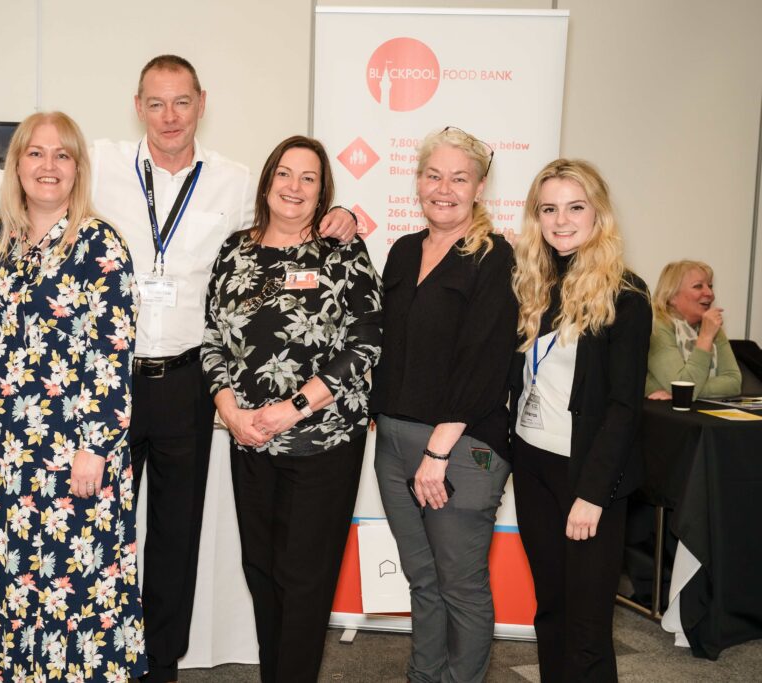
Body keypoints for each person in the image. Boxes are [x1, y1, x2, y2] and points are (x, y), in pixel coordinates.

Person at [0, 54, 358, 682]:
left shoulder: (232, 182)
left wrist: (342, 214)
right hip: (92, 394)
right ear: (138, 105)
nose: (169, 116)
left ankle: (162, 666)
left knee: (172, 539)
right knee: (91, 538)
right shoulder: (98, 161)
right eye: (155, 102)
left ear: (202, 103)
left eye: (181, 102)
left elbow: (283, 215)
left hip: (180, 383)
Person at [0, 111, 147, 680]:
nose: (48, 165)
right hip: (4, 448)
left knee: (73, 585)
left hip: (74, 451)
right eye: (36, 153)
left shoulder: (99, 244)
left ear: (78, 169)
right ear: (15, 165)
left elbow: (113, 356)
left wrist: (96, 446)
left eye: (62, 155)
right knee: (7, 578)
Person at [201, 135, 381, 683]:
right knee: (262, 571)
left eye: (308, 178)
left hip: (321, 441)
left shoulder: (341, 250)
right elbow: (211, 339)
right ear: (267, 181)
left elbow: (367, 341)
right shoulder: (234, 250)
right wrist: (231, 412)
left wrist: (294, 407)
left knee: (304, 580)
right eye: (284, 174)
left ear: (323, 190)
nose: (294, 187)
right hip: (249, 441)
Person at [370, 127, 516, 683]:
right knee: (422, 580)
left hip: (459, 446)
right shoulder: (405, 250)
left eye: (459, 177)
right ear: (418, 181)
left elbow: (484, 363)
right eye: (434, 175)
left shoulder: (494, 257)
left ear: (479, 187)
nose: (444, 188)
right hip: (394, 440)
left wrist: (436, 452)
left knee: (461, 586)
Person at [510, 159, 651, 682]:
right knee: (551, 611)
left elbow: (622, 407)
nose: (561, 220)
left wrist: (592, 494)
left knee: (587, 626)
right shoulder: (533, 285)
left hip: (589, 475)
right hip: (532, 463)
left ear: (599, 214)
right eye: (549, 208)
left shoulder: (626, 294)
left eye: (575, 207)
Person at [645, 260, 741, 400]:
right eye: (698, 286)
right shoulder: (657, 326)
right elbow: (682, 387)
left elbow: (734, 382)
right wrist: (705, 338)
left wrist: (679, 391)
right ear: (672, 297)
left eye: (710, 286)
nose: (710, 293)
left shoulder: (712, 327)